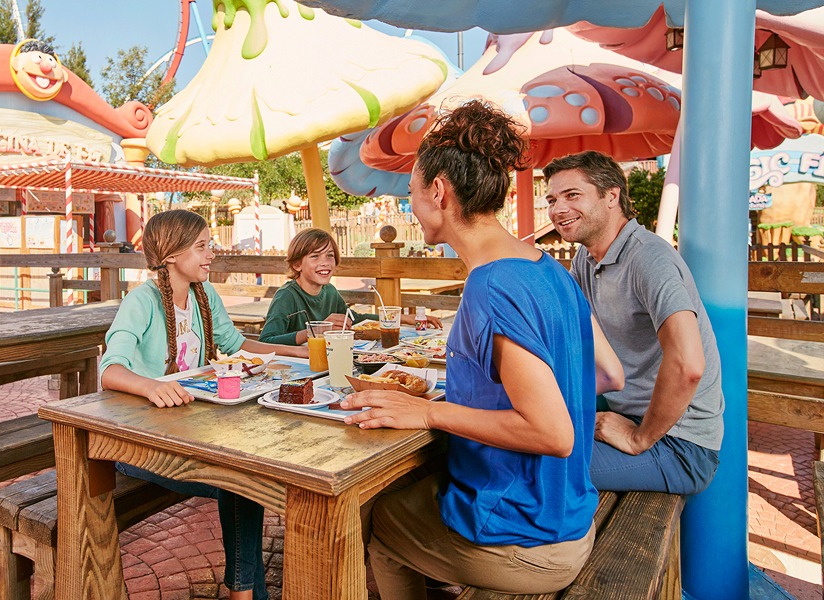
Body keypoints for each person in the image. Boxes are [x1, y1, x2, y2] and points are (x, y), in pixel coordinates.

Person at [338, 100, 624, 598]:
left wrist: (429, 412)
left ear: (440, 192)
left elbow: (552, 433)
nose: (409, 206)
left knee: (378, 521)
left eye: (411, 194)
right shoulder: (549, 267)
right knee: (415, 493)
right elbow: (608, 372)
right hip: (570, 508)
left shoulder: (490, 285)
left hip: (528, 537)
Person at [99, 209, 307, 600]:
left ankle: (242, 591)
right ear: (172, 254)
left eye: (209, 244)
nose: (211, 253)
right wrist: (149, 387)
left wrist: (299, 355)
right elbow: (110, 369)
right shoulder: (142, 302)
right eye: (201, 246)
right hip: (137, 442)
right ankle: (244, 593)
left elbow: (237, 346)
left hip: (187, 431)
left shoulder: (204, 295)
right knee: (242, 483)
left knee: (247, 477)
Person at [543, 150, 723, 495]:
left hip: (677, 444)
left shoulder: (649, 258)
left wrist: (638, 437)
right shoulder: (587, 258)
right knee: (512, 426)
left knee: (533, 464)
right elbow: (561, 325)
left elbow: (688, 365)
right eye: (552, 199)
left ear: (612, 195)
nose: (557, 209)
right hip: (623, 410)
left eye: (572, 195)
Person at [259, 228, 442, 346]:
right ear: (297, 265)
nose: (325, 263)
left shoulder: (329, 291)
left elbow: (355, 318)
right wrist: (316, 331)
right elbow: (266, 341)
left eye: (330, 256)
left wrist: (405, 318)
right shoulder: (287, 296)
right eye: (315, 257)